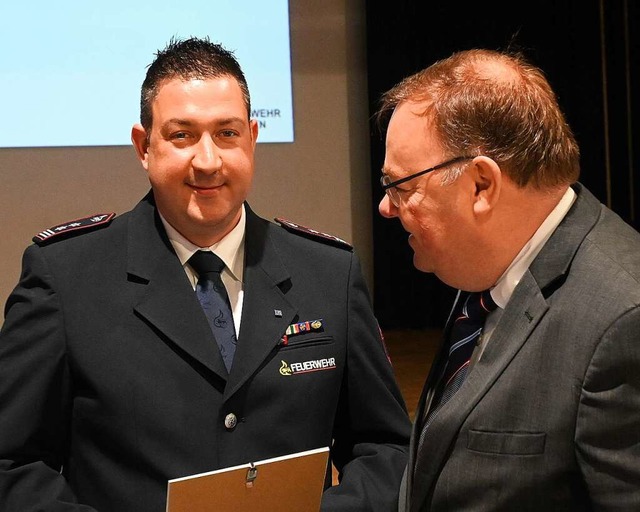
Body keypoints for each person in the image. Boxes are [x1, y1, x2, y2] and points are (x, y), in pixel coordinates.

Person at [0, 37, 411, 511]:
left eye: (228, 134)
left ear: (253, 139)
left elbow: (386, 448)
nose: (208, 160)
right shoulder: (66, 277)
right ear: (143, 146)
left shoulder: (328, 273)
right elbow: (13, 463)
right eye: (182, 135)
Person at [376, 48, 640, 511]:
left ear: (480, 185)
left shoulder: (623, 321)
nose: (387, 207)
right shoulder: (491, 260)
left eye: (402, 187)